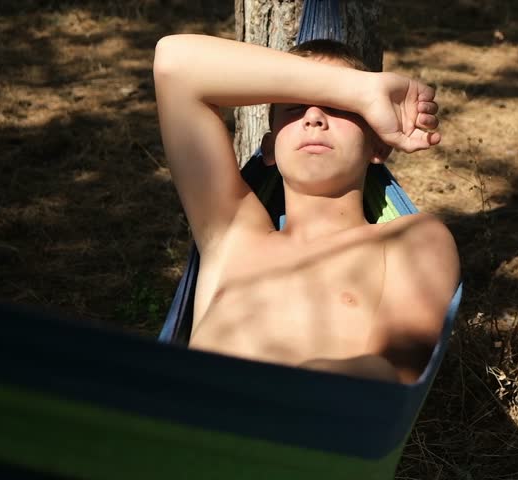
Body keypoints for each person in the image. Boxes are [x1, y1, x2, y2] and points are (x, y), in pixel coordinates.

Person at [152, 34, 460, 384]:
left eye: (338, 108)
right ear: (269, 148)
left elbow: (391, 375)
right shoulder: (232, 233)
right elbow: (174, 64)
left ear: (378, 146)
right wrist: (358, 91)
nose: (314, 117)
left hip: (307, 414)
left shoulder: (412, 238)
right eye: (295, 108)